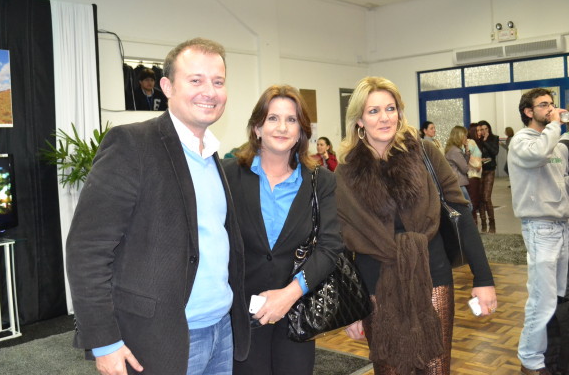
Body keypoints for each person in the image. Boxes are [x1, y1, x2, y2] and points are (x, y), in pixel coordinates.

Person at [66, 38, 250, 375]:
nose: (209, 91)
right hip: (160, 338)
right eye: (195, 80)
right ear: (167, 87)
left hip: (221, 330)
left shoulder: (213, 156)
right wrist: (104, 342)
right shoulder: (132, 145)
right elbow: (87, 249)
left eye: (218, 81)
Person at [336, 76, 496, 375]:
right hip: (375, 285)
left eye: (390, 108)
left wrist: (483, 279)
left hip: (432, 273)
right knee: (389, 368)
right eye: (373, 111)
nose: (385, 117)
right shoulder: (346, 171)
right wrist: (350, 307)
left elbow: (460, 214)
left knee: (435, 367)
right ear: (359, 120)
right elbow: (341, 242)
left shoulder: (424, 153)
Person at [223, 85, 341, 375]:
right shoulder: (228, 175)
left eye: (291, 120)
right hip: (240, 316)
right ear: (257, 128)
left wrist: (289, 294)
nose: (282, 127)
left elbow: (330, 247)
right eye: (273, 118)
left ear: (301, 131)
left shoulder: (321, 181)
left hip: (297, 312)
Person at [507, 88, 569, 375]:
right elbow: (538, 154)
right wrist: (556, 125)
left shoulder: (554, 143)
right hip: (540, 228)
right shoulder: (521, 141)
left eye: (552, 104)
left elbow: (561, 173)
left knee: (557, 297)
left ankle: (548, 352)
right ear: (528, 112)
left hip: (562, 226)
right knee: (541, 300)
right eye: (544, 105)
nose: (551, 109)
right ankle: (530, 359)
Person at [477, 120, 499, 233]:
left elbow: (494, 152)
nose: (484, 131)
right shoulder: (476, 140)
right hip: (479, 171)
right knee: (480, 198)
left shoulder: (494, 138)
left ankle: (492, 223)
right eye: (482, 129)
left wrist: (485, 141)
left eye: (486, 129)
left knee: (486, 197)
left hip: (490, 170)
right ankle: (483, 224)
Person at [445, 125, 472, 210]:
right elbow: (465, 169)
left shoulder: (453, 149)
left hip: (456, 182)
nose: (466, 138)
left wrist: (467, 151)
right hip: (459, 183)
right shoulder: (455, 151)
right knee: (468, 207)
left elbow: (463, 163)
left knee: (464, 208)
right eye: (465, 136)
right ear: (459, 136)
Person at [466, 123, 483, 224]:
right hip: (472, 175)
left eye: (480, 130)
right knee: (473, 201)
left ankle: (474, 223)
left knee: (474, 201)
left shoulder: (475, 142)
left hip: (475, 175)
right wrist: (476, 166)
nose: (480, 132)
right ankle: (473, 224)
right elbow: (466, 157)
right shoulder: (470, 142)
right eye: (477, 131)